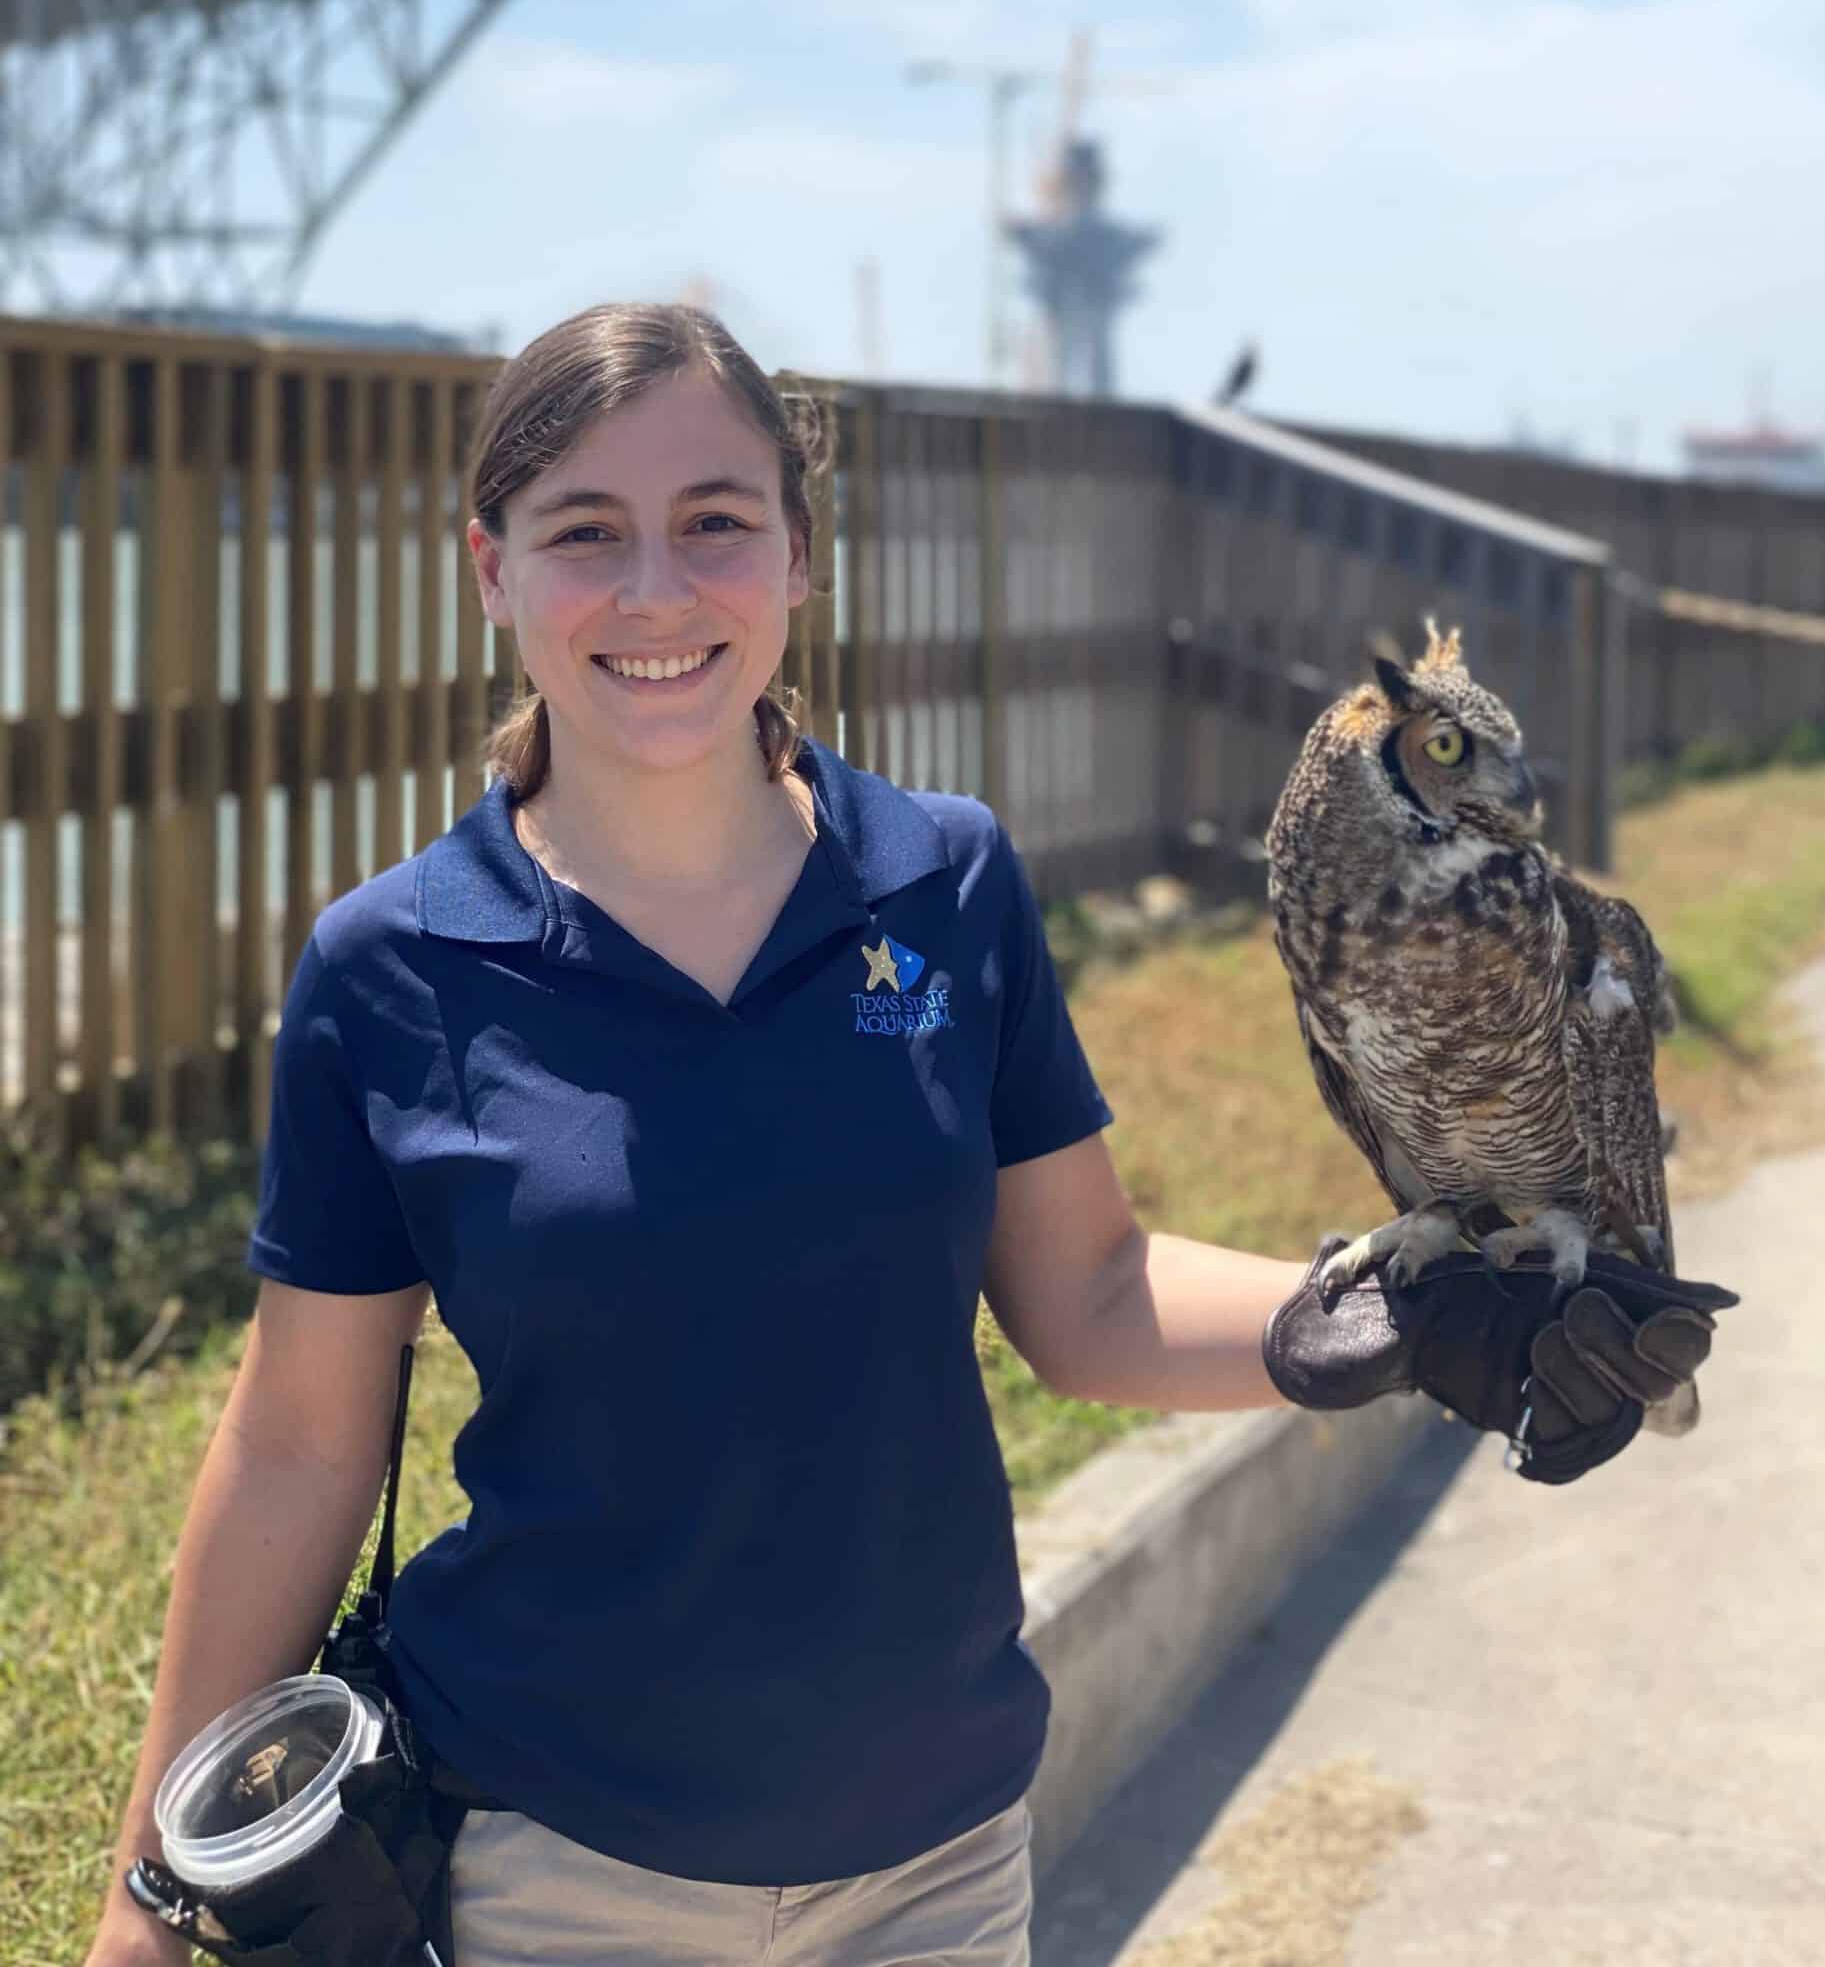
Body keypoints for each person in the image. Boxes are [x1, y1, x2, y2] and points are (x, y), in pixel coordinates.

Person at [85, 301, 1727, 1967]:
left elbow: (1086, 1292)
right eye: (586, 532)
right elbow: (299, 1444)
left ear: (799, 557)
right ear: (490, 570)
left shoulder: (944, 883)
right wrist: (150, 1895)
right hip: (554, 1868)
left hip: (937, 1870)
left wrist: (1411, 1324)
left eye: (716, 522)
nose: (657, 591)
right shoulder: (393, 964)